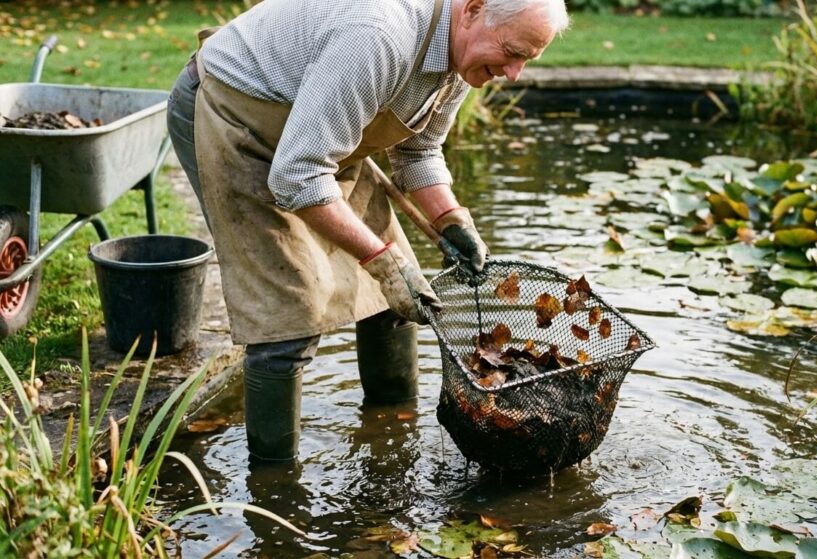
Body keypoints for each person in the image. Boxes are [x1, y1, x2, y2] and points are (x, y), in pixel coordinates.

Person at [166, 0, 569, 462]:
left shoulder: (460, 60)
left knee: (396, 303)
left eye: (526, 60)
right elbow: (297, 175)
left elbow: (419, 152)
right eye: (512, 52)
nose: (514, 72)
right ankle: (274, 484)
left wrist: (451, 219)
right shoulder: (379, 35)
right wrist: (380, 258)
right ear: (473, 10)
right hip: (237, 119)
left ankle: (392, 435)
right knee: (285, 320)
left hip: (317, 143)